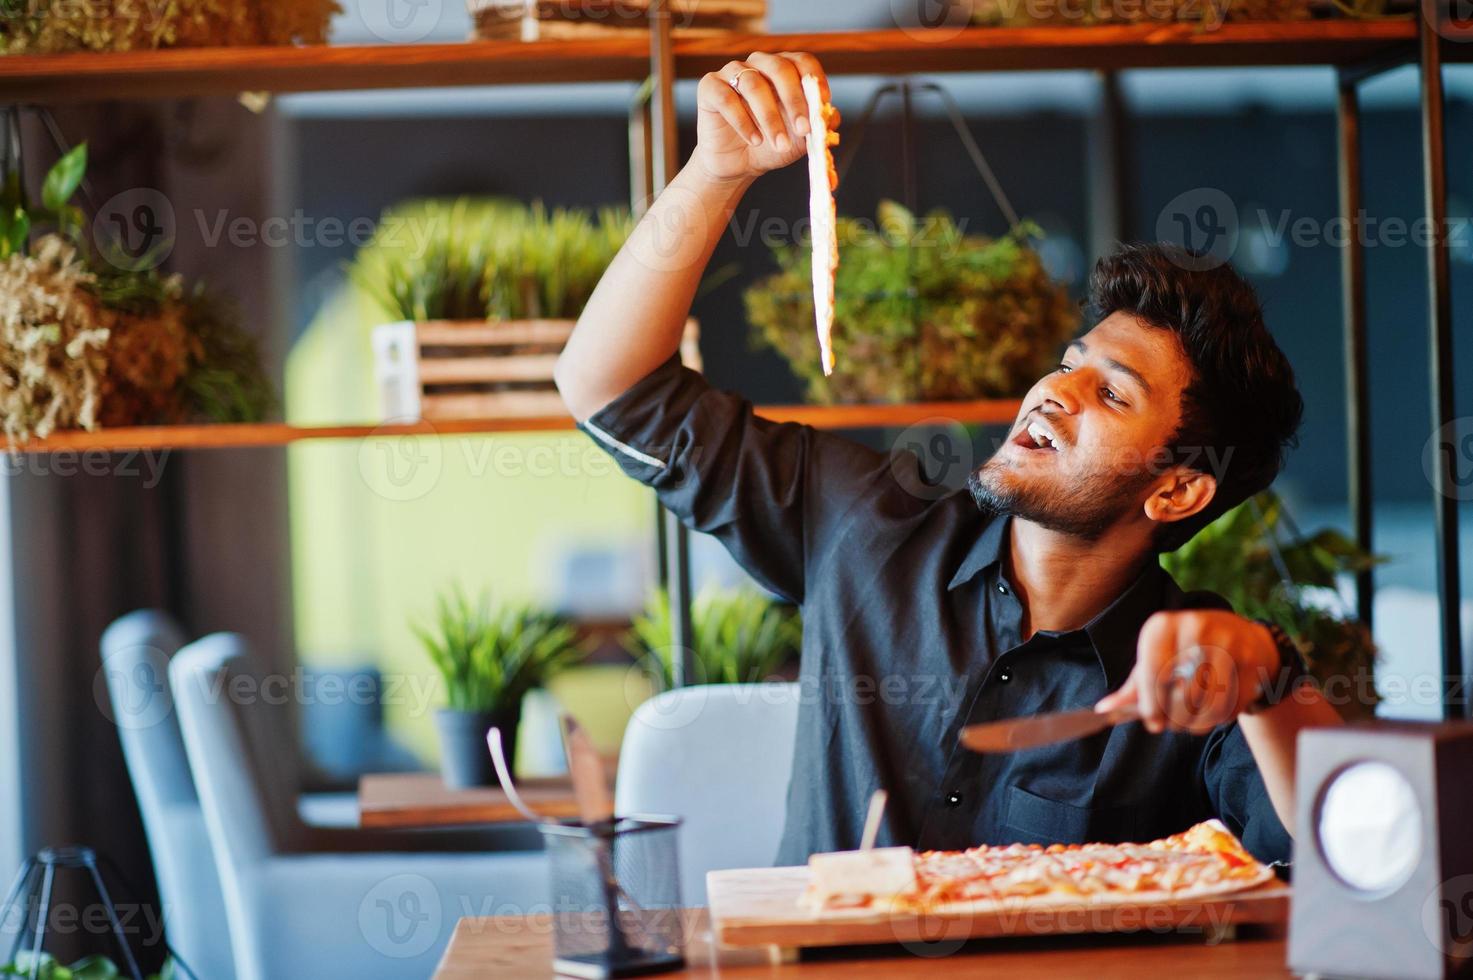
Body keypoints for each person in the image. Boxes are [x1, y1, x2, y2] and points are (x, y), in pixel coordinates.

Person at [554, 50, 1342, 865]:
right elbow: (609, 387)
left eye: (1110, 395)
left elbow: (1347, 863)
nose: (1053, 392)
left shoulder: (1195, 671)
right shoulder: (861, 523)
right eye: (1068, 365)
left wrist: (1267, 681)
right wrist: (713, 175)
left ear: (1177, 491)